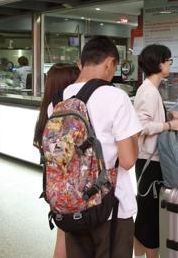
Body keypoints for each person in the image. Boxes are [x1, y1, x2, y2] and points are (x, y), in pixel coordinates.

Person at [51, 36, 141, 258]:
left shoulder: (58, 100)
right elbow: (128, 161)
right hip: (111, 207)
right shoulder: (116, 97)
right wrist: (135, 138)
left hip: (72, 204)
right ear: (109, 62)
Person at [133, 44, 178, 258]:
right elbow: (141, 126)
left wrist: (168, 116)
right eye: (168, 60)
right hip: (148, 162)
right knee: (150, 215)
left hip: (151, 160)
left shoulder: (151, 89)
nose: (170, 64)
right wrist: (168, 125)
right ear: (159, 63)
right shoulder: (148, 91)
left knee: (147, 213)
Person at [33, 63, 80, 258]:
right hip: (67, 185)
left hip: (52, 183)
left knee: (63, 235)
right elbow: (62, 154)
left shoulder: (48, 110)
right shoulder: (65, 114)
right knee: (67, 236)